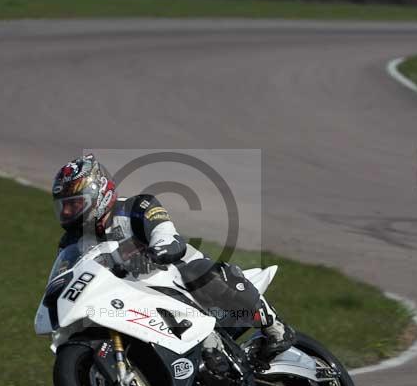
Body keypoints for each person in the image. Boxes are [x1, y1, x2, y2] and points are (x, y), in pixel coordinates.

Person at [51, 153, 294, 367]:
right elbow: (71, 274)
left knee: (198, 271)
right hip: (133, 299)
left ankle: (273, 326)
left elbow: (165, 233)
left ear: (99, 194)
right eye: (63, 207)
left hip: (175, 278)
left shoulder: (137, 207)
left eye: (74, 204)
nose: (67, 213)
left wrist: (157, 251)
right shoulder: (72, 243)